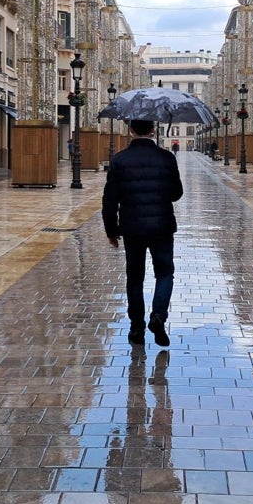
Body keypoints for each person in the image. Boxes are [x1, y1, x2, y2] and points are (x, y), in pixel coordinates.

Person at [103, 119, 184, 347]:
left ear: (130, 130)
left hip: (132, 227)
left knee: (135, 276)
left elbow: (110, 199)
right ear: (153, 130)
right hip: (162, 226)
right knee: (165, 273)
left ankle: (136, 327)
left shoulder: (120, 160)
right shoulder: (167, 158)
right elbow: (176, 193)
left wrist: (111, 229)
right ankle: (158, 316)